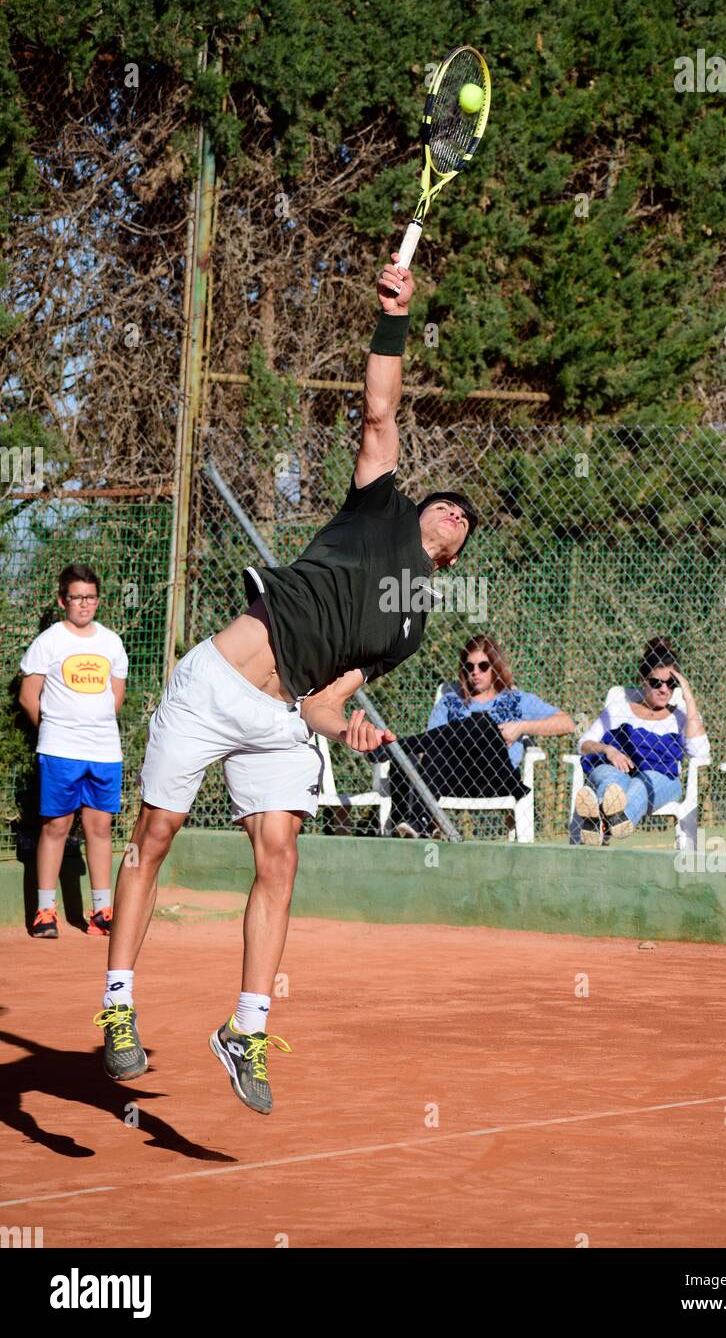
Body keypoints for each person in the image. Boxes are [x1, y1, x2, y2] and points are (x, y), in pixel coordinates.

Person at [93, 254, 479, 1115]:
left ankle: (247, 1026)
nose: (453, 512)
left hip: (280, 720)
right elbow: (380, 406)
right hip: (216, 684)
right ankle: (118, 1008)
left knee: (281, 856)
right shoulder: (377, 504)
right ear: (418, 510)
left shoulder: (411, 624)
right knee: (155, 835)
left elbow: (324, 703)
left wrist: (349, 732)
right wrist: (394, 315)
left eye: (464, 519)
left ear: (455, 556)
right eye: (445, 502)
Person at [18, 564, 128, 937]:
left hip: (105, 753)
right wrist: (52, 732)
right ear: (62, 599)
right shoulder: (48, 641)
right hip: (59, 751)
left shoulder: (111, 642)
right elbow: (29, 696)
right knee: (57, 826)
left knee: (100, 827)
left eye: (91, 597)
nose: (85, 604)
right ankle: (45, 913)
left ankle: (101, 913)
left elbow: (116, 698)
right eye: (77, 597)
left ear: (98, 600)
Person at [388, 635, 576, 838]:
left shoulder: (515, 700)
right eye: (469, 667)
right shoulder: (450, 702)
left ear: (495, 666)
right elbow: (429, 749)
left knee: (481, 724)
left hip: (496, 779)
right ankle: (419, 821)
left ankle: (396, 747)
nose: (475, 672)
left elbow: (567, 723)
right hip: (455, 780)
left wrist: (521, 726)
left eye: (483, 666)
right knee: (441, 742)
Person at [575, 636, 709, 844]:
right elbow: (583, 744)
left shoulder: (681, 716)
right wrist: (609, 750)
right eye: (656, 683)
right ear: (643, 680)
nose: (664, 690)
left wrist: (688, 697)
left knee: (641, 783)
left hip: (662, 778)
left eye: (671, 683)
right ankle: (612, 823)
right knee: (610, 781)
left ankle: (600, 823)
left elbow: (700, 752)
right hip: (616, 771)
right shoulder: (619, 710)